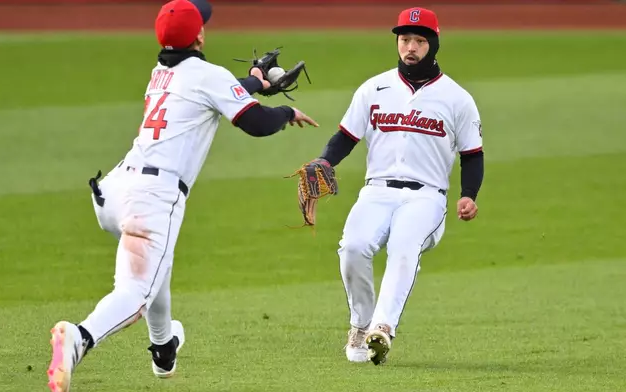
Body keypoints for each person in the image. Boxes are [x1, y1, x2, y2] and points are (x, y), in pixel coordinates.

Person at [46, 0, 318, 390]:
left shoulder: (160, 73)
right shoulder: (208, 75)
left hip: (115, 191)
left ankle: (164, 349)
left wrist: (256, 82)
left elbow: (213, 93)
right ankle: (79, 337)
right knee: (136, 292)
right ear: (200, 35)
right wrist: (286, 114)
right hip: (152, 199)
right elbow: (255, 122)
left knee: (159, 265)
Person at [309, 7, 484, 365]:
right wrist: (325, 161)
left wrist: (469, 194)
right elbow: (345, 136)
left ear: (433, 45)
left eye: (420, 40)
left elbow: (473, 154)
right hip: (377, 191)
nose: (411, 48)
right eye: (405, 40)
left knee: (404, 248)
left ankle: (383, 329)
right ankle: (361, 324)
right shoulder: (375, 87)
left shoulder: (457, 98)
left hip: (427, 197)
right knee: (353, 248)